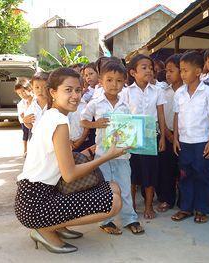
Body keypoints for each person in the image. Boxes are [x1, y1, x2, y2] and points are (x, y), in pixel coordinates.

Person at [14, 67, 128, 253]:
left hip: (36, 195)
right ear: (53, 92)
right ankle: (44, 229)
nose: (75, 95)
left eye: (78, 89)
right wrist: (107, 156)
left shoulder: (51, 116)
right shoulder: (59, 122)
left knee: (113, 187)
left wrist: (92, 151)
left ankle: (57, 225)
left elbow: (60, 159)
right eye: (68, 90)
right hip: (35, 204)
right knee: (114, 203)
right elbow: (69, 174)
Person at [81, 62, 144, 235]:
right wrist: (95, 124)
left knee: (124, 187)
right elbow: (83, 120)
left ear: (124, 82)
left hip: (123, 155)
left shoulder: (127, 103)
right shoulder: (95, 103)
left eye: (118, 81)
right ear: (100, 81)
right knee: (105, 188)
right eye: (109, 80)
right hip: (102, 155)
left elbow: (133, 126)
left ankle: (130, 219)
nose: (113, 84)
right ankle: (105, 221)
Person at [172, 51, 209, 224]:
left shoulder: (208, 92)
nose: (182, 74)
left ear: (198, 71)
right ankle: (185, 208)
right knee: (185, 175)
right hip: (184, 142)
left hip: (202, 142)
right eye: (181, 70)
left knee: (203, 176)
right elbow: (177, 116)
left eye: (185, 70)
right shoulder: (179, 93)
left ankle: (202, 209)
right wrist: (176, 139)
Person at [122, 54, 166, 219]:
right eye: (144, 67)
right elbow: (124, 115)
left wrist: (161, 137)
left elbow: (161, 115)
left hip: (150, 136)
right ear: (133, 72)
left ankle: (148, 206)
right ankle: (131, 205)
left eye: (150, 67)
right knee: (132, 173)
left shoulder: (157, 91)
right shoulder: (126, 92)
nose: (149, 70)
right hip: (132, 137)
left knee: (150, 172)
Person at [156, 54, 182, 213]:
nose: (167, 74)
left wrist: (178, 136)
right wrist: (168, 134)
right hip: (166, 134)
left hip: (185, 136)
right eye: (167, 71)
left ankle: (185, 201)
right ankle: (167, 198)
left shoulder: (188, 91)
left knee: (184, 170)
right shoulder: (162, 91)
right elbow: (161, 115)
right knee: (166, 169)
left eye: (172, 71)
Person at [14, 79, 33, 157]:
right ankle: (26, 150)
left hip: (36, 126)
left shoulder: (37, 100)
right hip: (27, 123)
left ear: (29, 89)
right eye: (19, 93)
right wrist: (24, 120)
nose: (22, 95)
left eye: (23, 92)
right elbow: (22, 117)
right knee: (26, 134)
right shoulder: (21, 103)